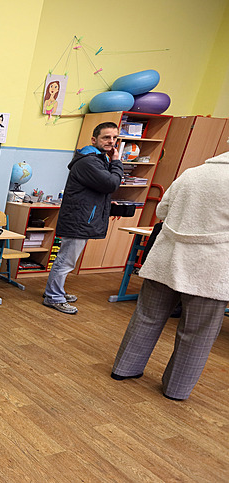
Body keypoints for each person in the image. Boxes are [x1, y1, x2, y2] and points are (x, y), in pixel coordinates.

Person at [111, 151, 229, 400]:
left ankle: (125, 368)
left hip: (167, 257)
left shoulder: (192, 174)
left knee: (146, 317)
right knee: (197, 332)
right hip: (211, 268)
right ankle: (176, 389)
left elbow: (163, 211)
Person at [43, 121, 123, 314]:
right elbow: (111, 184)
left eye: (114, 138)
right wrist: (117, 162)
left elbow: (95, 189)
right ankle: (54, 296)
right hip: (79, 219)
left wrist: (106, 203)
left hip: (83, 216)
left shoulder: (98, 158)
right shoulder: (89, 161)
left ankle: (56, 290)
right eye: (106, 137)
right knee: (66, 260)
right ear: (94, 139)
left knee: (68, 258)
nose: (111, 142)